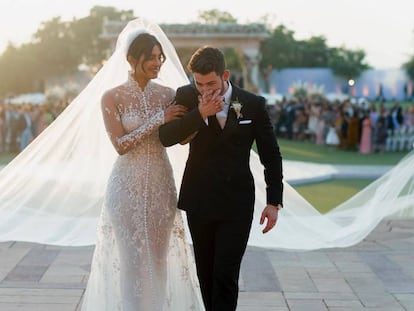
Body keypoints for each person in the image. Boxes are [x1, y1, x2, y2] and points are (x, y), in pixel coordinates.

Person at [80, 29, 203, 310]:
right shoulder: (111, 97)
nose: (158, 63)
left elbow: (180, 138)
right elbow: (120, 144)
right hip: (125, 187)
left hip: (161, 184)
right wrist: (159, 118)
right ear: (133, 58)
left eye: (160, 57)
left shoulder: (170, 95)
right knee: (130, 261)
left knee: (159, 259)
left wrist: (199, 117)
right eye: (151, 58)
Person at [159, 46, 284, 311]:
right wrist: (200, 113)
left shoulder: (253, 104)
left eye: (211, 83)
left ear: (225, 74)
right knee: (206, 275)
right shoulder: (186, 96)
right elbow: (166, 138)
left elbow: (271, 154)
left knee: (225, 275)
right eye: (199, 83)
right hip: (199, 200)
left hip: (236, 203)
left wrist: (274, 202)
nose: (204, 89)